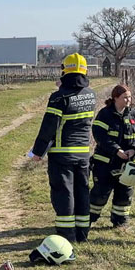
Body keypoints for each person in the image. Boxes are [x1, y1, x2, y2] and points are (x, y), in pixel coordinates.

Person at [31, 53, 96, 243]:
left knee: (64, 192)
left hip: (62, 153)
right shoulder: (91, 95)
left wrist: (38, 151)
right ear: (85, 71)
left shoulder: (58, 97)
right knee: (82, 191)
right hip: (83, 153)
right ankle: (82, 233)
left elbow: (49, 127)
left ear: (64, 70)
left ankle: (66, 235)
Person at [89, 85, 135, 227]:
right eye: (125, 97)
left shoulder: (134, 114)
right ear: (115, 98)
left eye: (129, 97)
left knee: (125, 193)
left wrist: (134, 149)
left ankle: (120, 221)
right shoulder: (105, 114)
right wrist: (116, 150)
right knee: (100, 193)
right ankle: (87, 220)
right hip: (106, 163)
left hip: (129, 164)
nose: (128, 100)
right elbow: (100, 135)